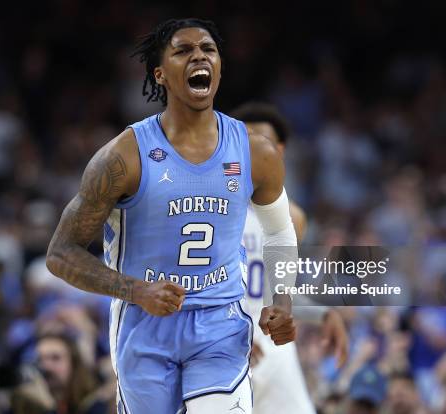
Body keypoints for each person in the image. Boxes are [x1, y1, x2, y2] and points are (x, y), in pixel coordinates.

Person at [46, 18, 297, 413]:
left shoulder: (255, 151)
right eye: (183, 50)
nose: (199, 55)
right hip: (144, 326)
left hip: (220, 322)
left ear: (218, 66)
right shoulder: (122, 157)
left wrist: (282, 301)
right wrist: (136, 290)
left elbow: (281, 233)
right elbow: (60, 253)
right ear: (160, 74)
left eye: (208, 49)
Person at [231, 102, 349, 414]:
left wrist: (321, 314)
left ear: (279, 152)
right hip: (221, 346)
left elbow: (276, 291)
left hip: (274, 348)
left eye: (263, 145)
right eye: (247, 145)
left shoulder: (293, 217)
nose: (255, 154)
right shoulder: (213, 208)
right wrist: (226, 333)